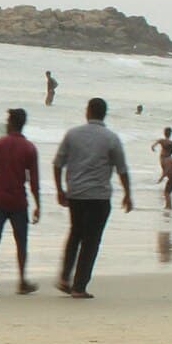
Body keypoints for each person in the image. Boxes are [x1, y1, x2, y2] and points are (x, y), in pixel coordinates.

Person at [52, 97, 133, 299]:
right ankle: (79, 286)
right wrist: (128, 194)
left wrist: (60, 190)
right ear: (104, 114)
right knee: (91, 241)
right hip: (99, 196)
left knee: (75, 234)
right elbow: (122, 169)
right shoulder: (111, 138)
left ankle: (64, 277)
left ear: (88, 111)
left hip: (76, 194)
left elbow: (57, 164)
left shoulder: (73, 134)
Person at [0, 108, 41, 296]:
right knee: (21, 242)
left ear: (11, 123)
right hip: (18, 201)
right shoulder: (29, 148)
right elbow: (34, 181)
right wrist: (38, 204)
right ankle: (22, 281)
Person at [151, 126, 172, 210]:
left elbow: (167, 170)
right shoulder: (170, 145)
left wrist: (161, 178)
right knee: (167, 192)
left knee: (167, 192)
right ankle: (168, 207)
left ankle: (169, 207)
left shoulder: (167, 159)